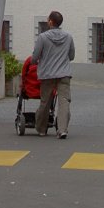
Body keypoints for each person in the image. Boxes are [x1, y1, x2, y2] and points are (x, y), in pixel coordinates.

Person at [30, 10, 75, 138]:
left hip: (47, 74)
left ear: (50, 22)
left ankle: (41, 129)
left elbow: (35, 57)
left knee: (45, 102)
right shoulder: (68, 37)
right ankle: (62, 130)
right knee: (64, 102)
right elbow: (71, 56)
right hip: (64, 74)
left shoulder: (42, 37)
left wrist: (36, 61)